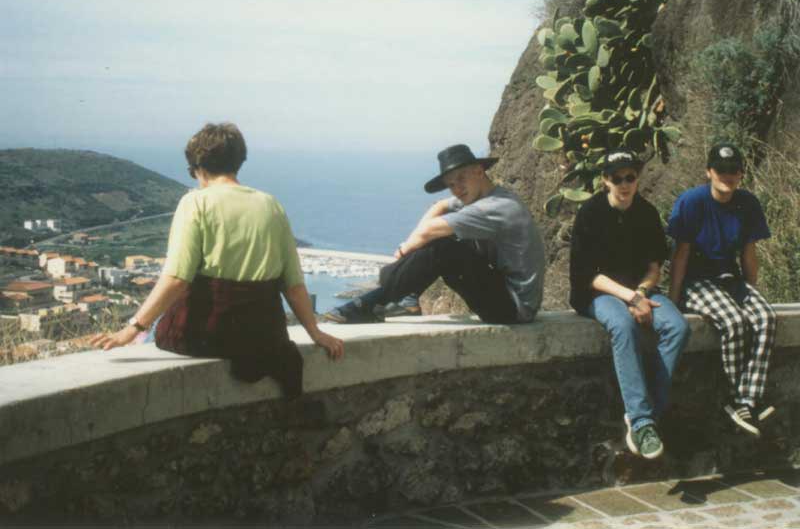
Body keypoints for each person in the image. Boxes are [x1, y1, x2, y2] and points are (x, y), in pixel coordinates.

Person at [90, 123, 343, 396]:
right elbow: (293, 285)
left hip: (207, 335)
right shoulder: (271, 205)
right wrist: (315, 333)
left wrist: (132, 329)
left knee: (152, 337)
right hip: (264, 338)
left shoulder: (195, 203)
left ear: (198, 166)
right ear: (238, 161)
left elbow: (176, 278)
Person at [324, 143, 546, 325]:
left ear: (479, 171)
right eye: (451, 184)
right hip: (501, 293)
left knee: (444, 246)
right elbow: (439, 206)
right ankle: (408, 300)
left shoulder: (497, 206)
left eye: (461, 178)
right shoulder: (484, 196)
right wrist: (411, 247)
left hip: (515, 308)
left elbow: (429, 230)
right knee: (445, 239)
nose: (457, 188)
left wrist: (401, 255)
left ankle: (371, 303)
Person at [570, 149, 690, 460]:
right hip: (599, 294)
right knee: (622, 325)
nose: (624, 184)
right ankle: (642, 422)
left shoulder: (647, 213)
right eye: (616, 178)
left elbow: (654, 266)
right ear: (605, 181)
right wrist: (632, 298)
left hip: (640, 289)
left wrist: (641, 291)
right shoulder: (590, 214)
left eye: (630, 177)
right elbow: (588, 275)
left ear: (637, 179)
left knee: (677, 327)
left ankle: (645, 413)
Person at [668, 143, 776, 437]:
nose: (727, 176)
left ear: (741, 174)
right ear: (709, 171)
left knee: (765, 318)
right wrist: (674, 300)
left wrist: (752, 293)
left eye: (733, 171)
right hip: (698, 280)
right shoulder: (692, 202)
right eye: (721, 170)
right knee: (733, 322)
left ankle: (746, 399)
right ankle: (734, 398)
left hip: (731, 280)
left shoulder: (747, 203)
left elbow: (749, 254)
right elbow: (681, 254)